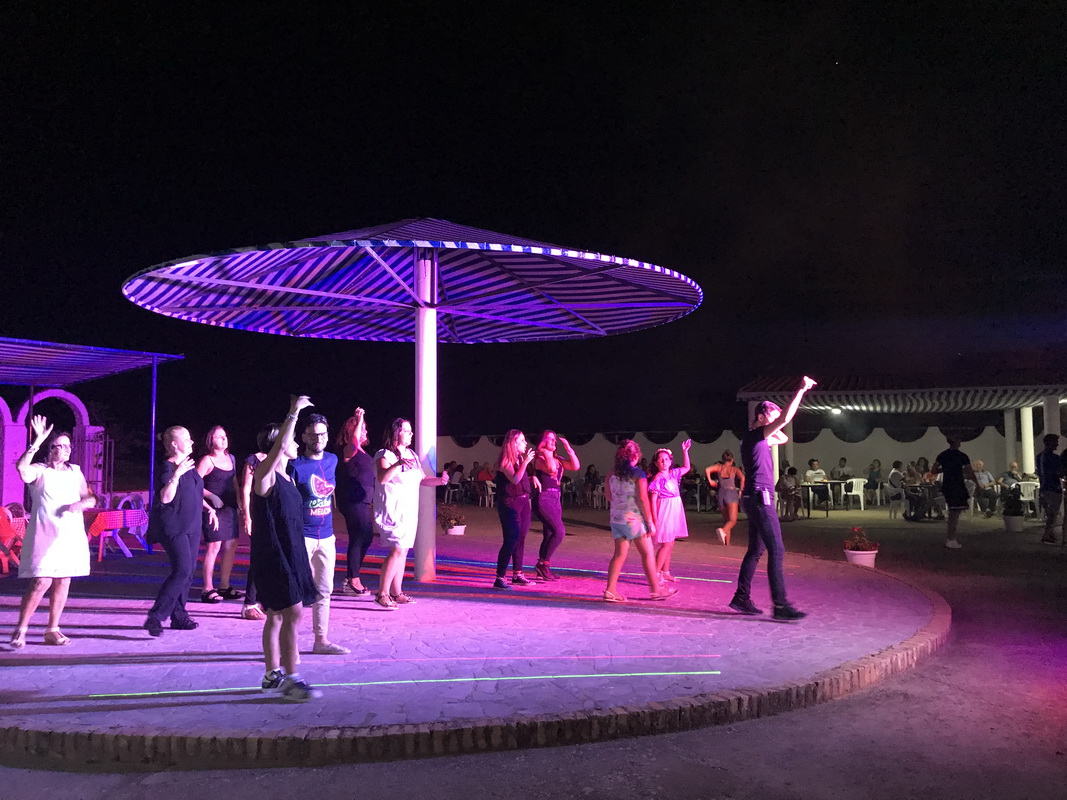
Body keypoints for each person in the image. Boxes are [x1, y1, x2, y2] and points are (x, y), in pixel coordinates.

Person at [251, 396, 323, 702]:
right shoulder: (264, 476)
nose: (295, 443)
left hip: (292, 551)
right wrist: (293, 411)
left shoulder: (288, 477)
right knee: (293, 612)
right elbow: (281, 444)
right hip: (273, 554)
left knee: (276, 616)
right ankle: (293, 680)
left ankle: (272, 676)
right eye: (291, 439)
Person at [729, 376, 816, 621]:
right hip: (760, 498)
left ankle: (741, 597)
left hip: (754, 497)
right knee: (776, 550)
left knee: (756, 551)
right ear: (760, 416)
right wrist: (801, 390)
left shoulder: (756, 438)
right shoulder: (755, 436)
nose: (777, 421)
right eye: (772, 416)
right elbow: (785, 420)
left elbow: (783, 436)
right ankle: (780, 605)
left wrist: (774, 424)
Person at [10, 415, 95, 648]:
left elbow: (90, 497)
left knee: (63, 580)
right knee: (41, 582)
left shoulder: (75, 471)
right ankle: (21, 628)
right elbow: (21, 469)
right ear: (50, 450)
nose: (66, 450)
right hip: (45, 533)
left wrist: (83, 503)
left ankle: (52, 629)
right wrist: (37, 440)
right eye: (60, 446)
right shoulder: (40, 471)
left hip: (69, 533)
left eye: (68, 446)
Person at [144, 426, 218, 637]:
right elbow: (166, 497)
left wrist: (209, 508)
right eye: (187, 439)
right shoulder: (168, 467)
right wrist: (176, 475)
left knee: (188, 571)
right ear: (174, 444)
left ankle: (179, 615)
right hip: (173, 526)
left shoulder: (189, 466)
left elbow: (193, 493)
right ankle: (156, 616)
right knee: (182, 569)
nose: (192, 442)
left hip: (191, 525)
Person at [373, 418, 448, 606]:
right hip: (392, 510)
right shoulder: (384, 454)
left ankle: (396, 592)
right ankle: (382, 593)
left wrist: (440, 481)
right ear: (396, 433)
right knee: (397, 549)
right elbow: (382, 478)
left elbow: (421, 479)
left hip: (409, 511)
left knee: (404, 550)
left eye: (410, 431)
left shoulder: (412, 455)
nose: (411, 434)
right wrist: (398, 464)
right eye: (406, 431)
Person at [290, 413, 348, 654]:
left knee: (324, 590)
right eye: (313, 435)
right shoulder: (295, 465)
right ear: (304, 437)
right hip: (302, 536)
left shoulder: (332, 460)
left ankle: (321, 640)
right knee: (295, 592)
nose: (319, 439)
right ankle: (289, 644)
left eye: (323, 434)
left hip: (326, 536)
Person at [603, 439, 676, 603]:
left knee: (619, 554)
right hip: (633, 519)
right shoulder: (638, 474)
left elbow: (608, 496)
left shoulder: (611, 473)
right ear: (636, 455)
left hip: (616, 519)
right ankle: (656, 590)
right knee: (647, 553)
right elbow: (643, 499)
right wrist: (649, 522)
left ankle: (610, 590)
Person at [197, 426, 242, 603]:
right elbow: (194, 484)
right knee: (213, 547)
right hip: (212, 509)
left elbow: (234, 481)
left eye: (224, 436)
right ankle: (207, 588)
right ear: (210, 441)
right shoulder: (207, 460)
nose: (223, 439)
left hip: (229, 507)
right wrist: (211, 496)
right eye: (218, 437)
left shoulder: (231, 458)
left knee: (231, 545)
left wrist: (239, 500)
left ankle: (224, 585)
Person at [532, 430, 581, 581]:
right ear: (542, 441)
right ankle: (543, 564)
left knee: (549, 534)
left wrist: (569, 449)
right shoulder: (540, 458)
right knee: (559, 532)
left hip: (555, 498)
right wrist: (545, 451)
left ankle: (543, 567)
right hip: (544, 498)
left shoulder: (557, 458)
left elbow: (575, 466)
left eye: (554, 439)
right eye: (550, 439)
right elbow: (551, 469)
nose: (554, 441)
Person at [336, 408, 376, 595]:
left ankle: (351, 576)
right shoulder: (348, 449)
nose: (365, 431)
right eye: (362, 428)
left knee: (366, 537)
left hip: (363, 500)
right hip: (352, 500)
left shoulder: (362, 452)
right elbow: (353, 443)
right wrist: (359, 420)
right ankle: (353, 579)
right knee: (359, 536)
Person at [492, 429, 537, 589]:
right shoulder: (505, 461)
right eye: (522, 441)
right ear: (513, 443)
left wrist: (532, 477)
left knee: (520, 538)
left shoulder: (519, 458)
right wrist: (526, 462)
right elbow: (515, 479)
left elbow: (521, 476)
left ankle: (518, 574)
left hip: (523, 502)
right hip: (510, 503)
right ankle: (500, 577)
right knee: (511, 539)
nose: (525, 443)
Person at [237, 426, 272, 620]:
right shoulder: (253, 460)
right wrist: (247, 517)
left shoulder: (280, 458)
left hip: (275, 513)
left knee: (272, 558)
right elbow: (245, 490)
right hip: (259, 513)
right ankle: (249, 603)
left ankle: (265, 599)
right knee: (259, 558)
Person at [647, 440, 692, 581]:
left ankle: (665, 572)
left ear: (670, 461)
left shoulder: (673, 474)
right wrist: (654, 518)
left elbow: (687, 467)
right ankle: (655, 574)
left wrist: (685, 451)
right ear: (656, 463)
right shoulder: (658, 478)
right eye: (661, 460)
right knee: (666, 544)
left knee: (670, 543)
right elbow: (653, 500)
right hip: (664, 510)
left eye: (666, 459)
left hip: (674, 509)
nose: (664, 462)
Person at [933, 435, 977, 549]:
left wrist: (945, 468)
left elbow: (934, 470)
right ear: (956, 442)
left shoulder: (943, 455)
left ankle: (951, 537)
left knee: (953, 512)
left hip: (947, 484)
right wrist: (976, 483)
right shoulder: (962, 456)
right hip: (957, 485)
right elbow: (970, 472)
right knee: (954, 513)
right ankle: (951, 538)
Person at [706, 451, 745, 544]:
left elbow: (707, 469)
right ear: (732, 460)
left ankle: (727, 543)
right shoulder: (734, 469)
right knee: (732, 520)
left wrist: (710, 480)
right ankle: (723, 531)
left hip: (721, 493)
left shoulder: (719, 467)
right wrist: (740, 490)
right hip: (731, 493)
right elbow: (743, 478)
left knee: (726, 520)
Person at [1035, 434, 1063, 545]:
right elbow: (1058, 472)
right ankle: (1047, 535)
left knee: (1051, 513)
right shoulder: (1052, 458)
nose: (1057, 444)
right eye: (1055, 442)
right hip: (1052, 488)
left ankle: (1050, 533)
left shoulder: (1041, 456)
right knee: (1052, 513)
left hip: (1047, 487)